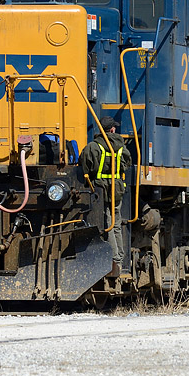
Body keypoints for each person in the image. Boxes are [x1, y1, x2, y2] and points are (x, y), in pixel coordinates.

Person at [80, 116, 133, 272]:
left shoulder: (93, 147)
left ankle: (113, 257)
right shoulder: (122, 147)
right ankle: (119, 256)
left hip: (99, 188)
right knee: (115, 222)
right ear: (112, 129)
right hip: (116, 187)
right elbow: (127, 164)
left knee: (106, 221)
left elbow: (84, 166)